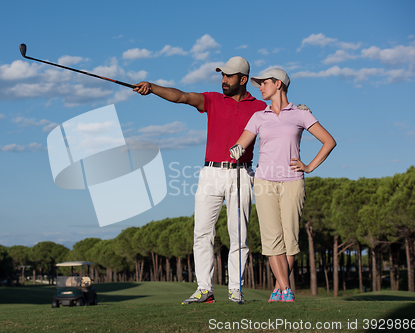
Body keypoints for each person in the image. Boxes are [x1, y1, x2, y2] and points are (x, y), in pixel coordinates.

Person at [134, 57, 266, 303]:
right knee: (202, 232)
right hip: (210, 173)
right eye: (222, 75)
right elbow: (181, 96)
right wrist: (152, 87)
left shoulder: (259, 107)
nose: (223, 80)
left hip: (241, 173)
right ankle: (205, 289)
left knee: (239, 234)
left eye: (228, 76)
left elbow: (282, 118)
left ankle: (235, 290)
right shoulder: (213, 99)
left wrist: (299, 109)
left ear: (243, 79)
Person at [230, 68, 336, 302]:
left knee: (290, 239)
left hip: (292, 183)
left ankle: (280, 288)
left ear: (278, 84)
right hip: (264, 181)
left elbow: (329, 141)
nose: (260, 87)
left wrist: (309, 167)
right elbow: (242, 142)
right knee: (271, 238)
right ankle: (286, 290)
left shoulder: (300, 114)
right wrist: (235, 149)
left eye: (264, 83)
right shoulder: (259, 116)